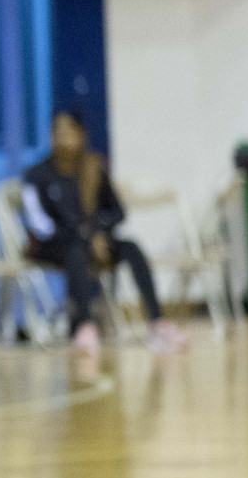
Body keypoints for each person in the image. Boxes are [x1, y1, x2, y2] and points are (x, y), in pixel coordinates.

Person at [23, 110, 187, 355]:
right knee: (76, 251)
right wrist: (87, 238)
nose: (63, 138)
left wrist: (98, 232)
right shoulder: (37, 175)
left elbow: (117, 211)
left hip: (94, 242)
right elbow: (39, 224)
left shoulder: (93, 168)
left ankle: (156, 321)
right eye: (57, 132)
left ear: (81, 135)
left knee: (130, 247)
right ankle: (85, 326)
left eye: (69, 132)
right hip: (53, 245)